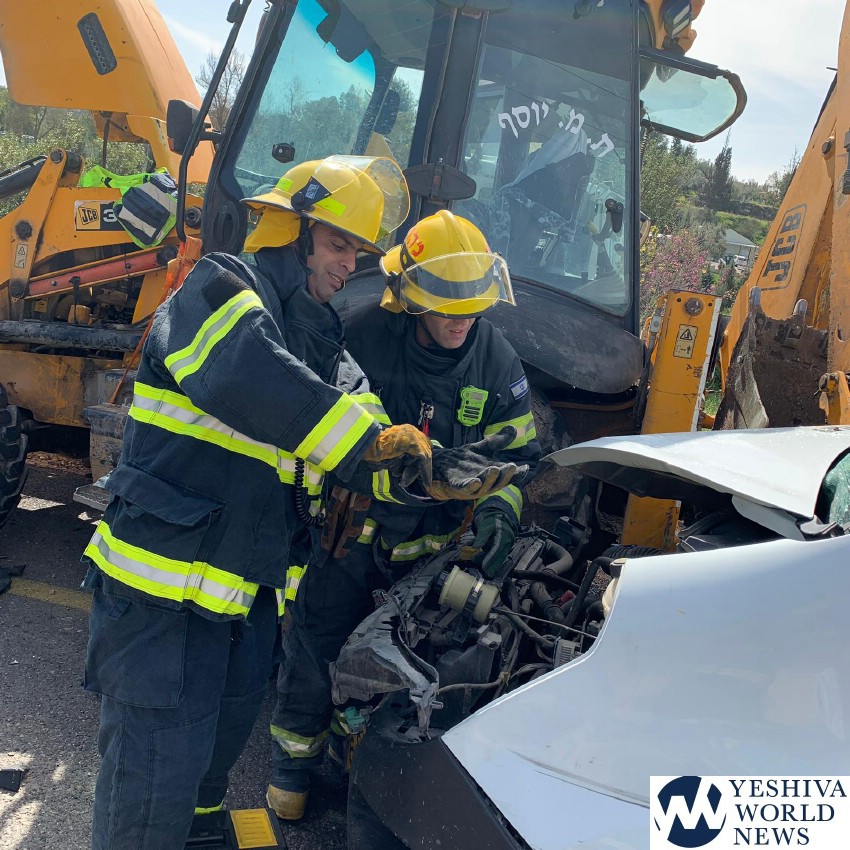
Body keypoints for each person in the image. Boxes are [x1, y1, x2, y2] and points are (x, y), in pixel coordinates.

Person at [80, 157, 515, 850]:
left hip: (240, 602)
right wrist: (372, 446)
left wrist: (429, 470)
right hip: (162, 601)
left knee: (206, 779)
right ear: (293, 229)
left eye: (359, 253)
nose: (350, 266)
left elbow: (364, 426)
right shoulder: (217, 288)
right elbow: (251, 377)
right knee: (151, 789)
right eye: (339, 244)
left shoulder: (318, 341)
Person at [267, 209, 542, 821]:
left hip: (435, 550)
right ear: (412, 299)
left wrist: (499, 509)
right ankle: (292, 768)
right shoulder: (362, 336)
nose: (461, 320)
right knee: (317, 643)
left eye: (472, 306)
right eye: (446, 307)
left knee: (414, 658)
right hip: (350, 535)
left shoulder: (495, 360)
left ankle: (361, 759)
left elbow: (520, 454)